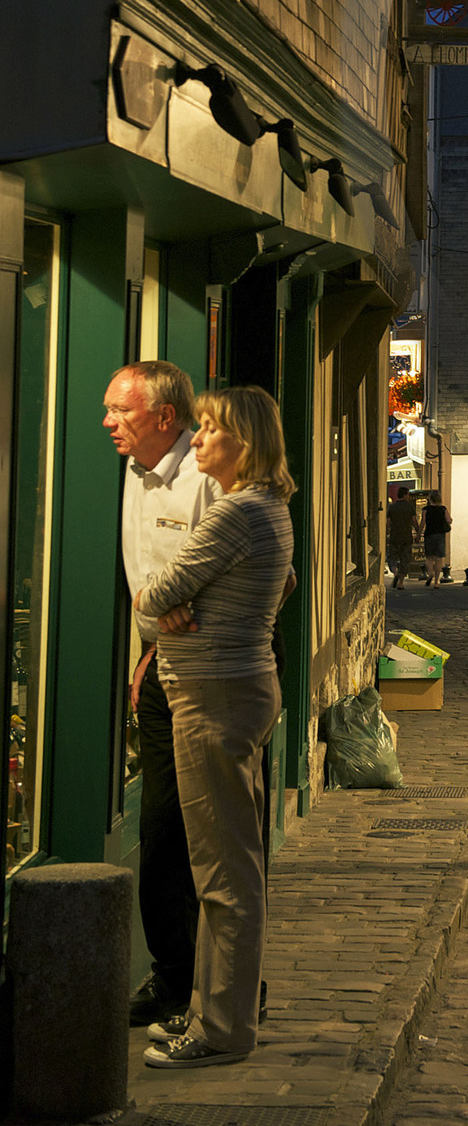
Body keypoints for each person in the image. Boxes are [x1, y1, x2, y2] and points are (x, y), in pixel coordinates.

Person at [135, 385, 295, 1068]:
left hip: (214, 695)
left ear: (245, 443)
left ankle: (223, 1028)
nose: (196, 439)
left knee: (224, 871)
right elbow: (275, 588)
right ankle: (208, 1011)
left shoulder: (236, 513)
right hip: (233, 686)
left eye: (209, 429)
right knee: (221, 864)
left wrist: (162, 601)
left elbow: (155, 594)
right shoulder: (269, 510)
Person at [109, 360, 213, 1028]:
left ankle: (231, 980)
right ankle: (173, 975)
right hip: (159, 665)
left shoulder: (208, 474)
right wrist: (149, 636)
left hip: (214, 669)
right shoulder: (133, 472)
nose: (108, 421)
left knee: (217, 832)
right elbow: (143, 574)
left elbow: (263, 571)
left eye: (122, 410)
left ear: (165, 417)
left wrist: (197, 608)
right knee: (159, 825)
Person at [388, 488, 416, 590]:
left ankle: (395, 572)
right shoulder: (410, 507)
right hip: (406, 536)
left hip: (395, 536)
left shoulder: (392, 507)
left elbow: (388, 522)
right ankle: (401, 583)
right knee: (405, 559)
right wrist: (418, 532)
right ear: (405, 495)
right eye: (408, 495)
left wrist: (388, 532)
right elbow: (414, 521)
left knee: (392, 556)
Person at [422, 493, 451, 585]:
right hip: (440, 535)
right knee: (439, 559)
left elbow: (423, 522)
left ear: (430, 499)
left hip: (429, 534)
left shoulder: (425, 510)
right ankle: (436, 582)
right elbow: (449, 520)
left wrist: (419, 534)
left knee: (429, 557)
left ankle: (430, 573)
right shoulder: (443, 509)